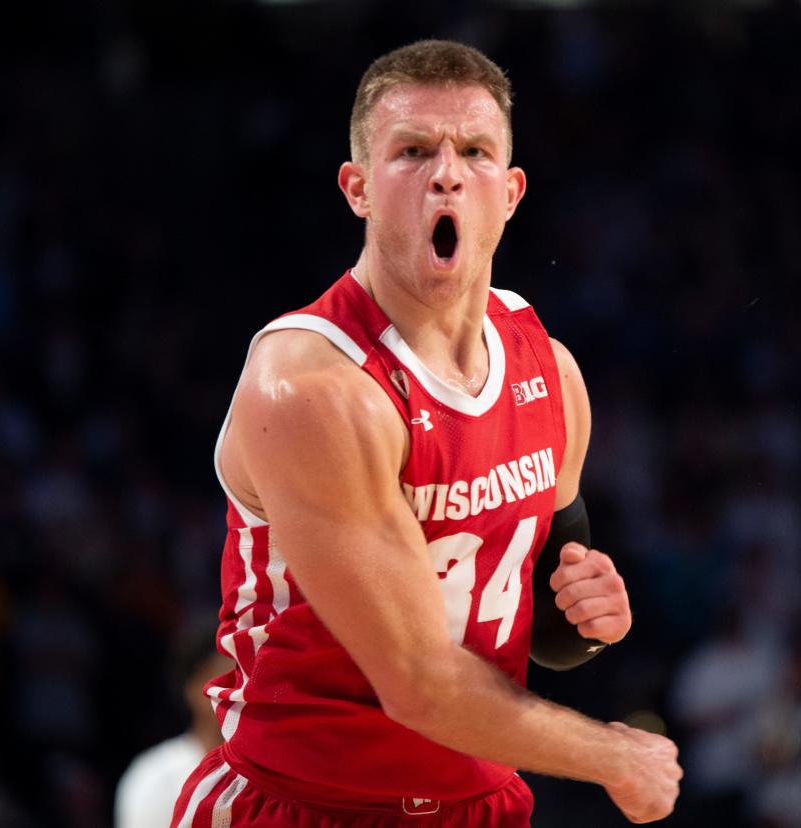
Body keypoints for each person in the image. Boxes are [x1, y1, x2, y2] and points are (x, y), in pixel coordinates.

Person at [172, 39, 682, 827]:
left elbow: (541, 624)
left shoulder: (552, 371)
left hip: (477, 801)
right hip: (303, 803)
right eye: (412, 151)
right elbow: (415, 681)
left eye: (474, 152)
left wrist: (587, 617)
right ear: (359, 188)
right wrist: (613, 755)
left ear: (510, 193)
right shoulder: (313, 386)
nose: (446, 172)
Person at [115, 625, 230, 828]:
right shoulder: (155, 776)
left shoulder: (277, 771)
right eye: (228, 680)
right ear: (193, 688)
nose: (239, 693)